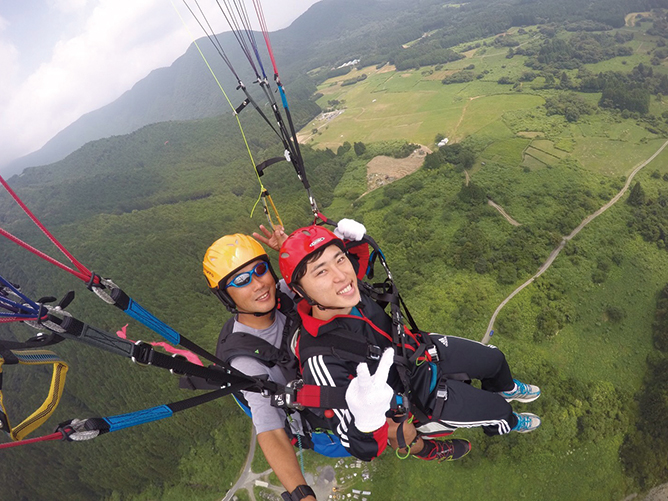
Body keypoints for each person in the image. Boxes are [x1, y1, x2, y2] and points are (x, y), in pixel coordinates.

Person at [278, 223, 541, 463]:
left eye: (339, 259)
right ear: (300, 292)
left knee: (494, 359)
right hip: (416, 394)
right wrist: (367, 420)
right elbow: (361, 447)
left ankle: (505, 387)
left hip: (418, 350)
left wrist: (354, 241)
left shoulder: (345, 289)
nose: (341, 276)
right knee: (498, 409)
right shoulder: (321, 361)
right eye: (321, 271)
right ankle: (509, 421)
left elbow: (356, 259)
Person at [201, 229, 317, 501]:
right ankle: (422, 447)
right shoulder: (245, 361)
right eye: (241, 280)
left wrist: (288, 249)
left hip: (333, 378)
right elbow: (271, 430)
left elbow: (325, 272)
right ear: (226, 296)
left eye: (260, 270)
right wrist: (302, 495)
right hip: (323, 423)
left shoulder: (284, 296)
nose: (258, 284)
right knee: (398, 430)